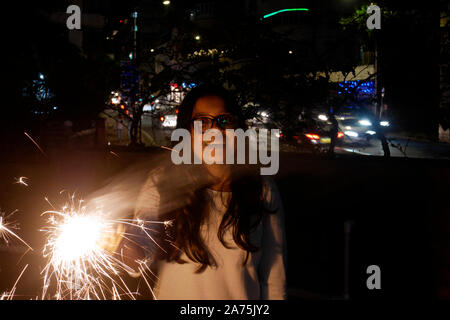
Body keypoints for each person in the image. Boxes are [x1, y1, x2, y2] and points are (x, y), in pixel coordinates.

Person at [121, 84, 287, 300]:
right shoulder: (163, 182)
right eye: (202, 122)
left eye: (224, 121)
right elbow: (139, 254)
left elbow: (274, 276)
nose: (215, 131)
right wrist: (126, 246)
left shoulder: (261, 188)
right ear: (188, 132)